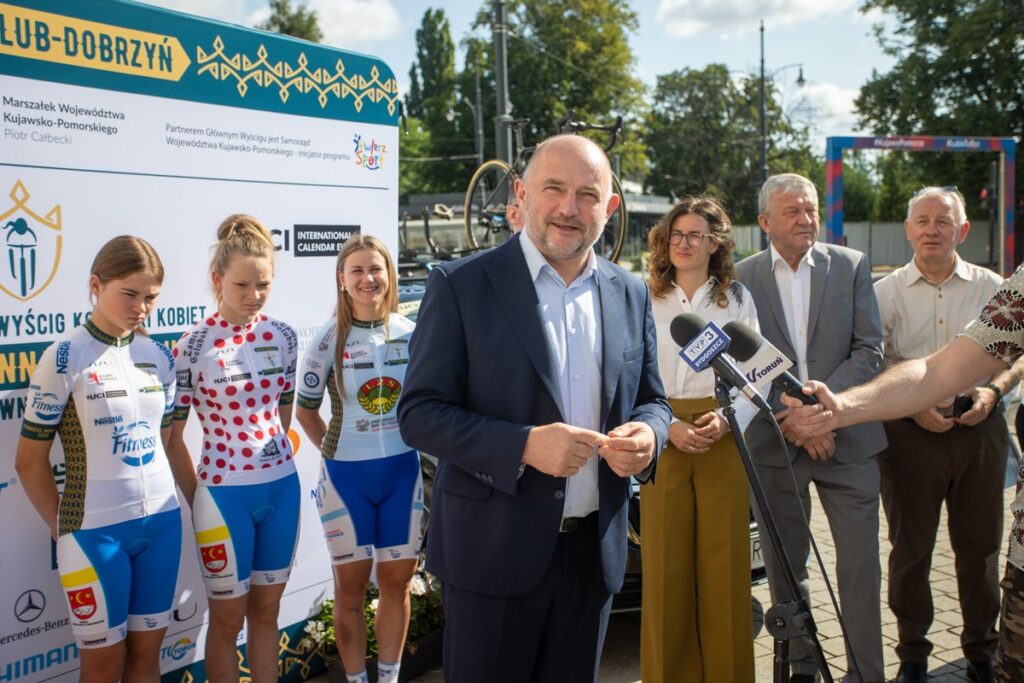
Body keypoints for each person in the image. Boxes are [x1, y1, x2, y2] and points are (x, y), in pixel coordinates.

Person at [397, 134, 671, 683]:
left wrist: (648, 436)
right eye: (554, 189)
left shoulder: (630, 292)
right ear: (522, 194)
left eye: (588, 195)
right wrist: (522, 445)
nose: (570, 208)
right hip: (491, 554)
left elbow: (652, 400)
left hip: (592, 558)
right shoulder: (461, 285)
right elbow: (419, 413)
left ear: (610, 207)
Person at [735, 172, 887, 683]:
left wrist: (824, 413)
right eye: (792, 211)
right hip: (776, 439)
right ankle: (801, 667)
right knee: (785, 568)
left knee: (860, 567)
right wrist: (795, 417)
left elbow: (870, 350)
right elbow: (740, 365)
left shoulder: (851, 265)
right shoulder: (741, 279)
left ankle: (865, 673)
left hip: (851, 438)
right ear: (764, 222)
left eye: (811, 210)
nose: (806, 219)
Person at [16, 236, 186, 683]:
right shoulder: (65, 356)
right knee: (104, 667)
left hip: (162, 524)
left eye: (151, 297)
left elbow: (164, 440)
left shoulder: (158, 355)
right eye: (130, 294)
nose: (141, 308)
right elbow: (28, 463)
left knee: (147, 660)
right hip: (94, 532)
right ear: (96, 284)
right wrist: (66, 528)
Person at [871, 187, 1020, 683]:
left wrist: (993, 392)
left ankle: (982, 651)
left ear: (963, 230)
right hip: (909, 436)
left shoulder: (995, 288)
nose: (932, 229)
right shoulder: (884, 293)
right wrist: (913, 408)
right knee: (910, 551)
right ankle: (913, 654)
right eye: (922, 220)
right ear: (908, 229)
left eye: (943, 221)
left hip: (980, 428)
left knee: (980, 550)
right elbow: (874, 361)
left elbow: (1017, 356)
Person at [167, 215, 299, 683]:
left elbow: (282, 417)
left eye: (263, 284)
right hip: (223, 496)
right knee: (226, 622)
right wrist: (199, 496)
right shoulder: (193, 346)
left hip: (281, 488)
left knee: (267, 613)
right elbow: (172, 438)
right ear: (217, 279)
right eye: (242, 284)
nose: (254, 295)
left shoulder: (284, 336)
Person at [295, 236, 422, 683]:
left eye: (376, 269)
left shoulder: (411, 332)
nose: (368, 279)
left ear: (389, 275)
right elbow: (305, 411)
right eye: (357, 271)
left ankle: (388, 678)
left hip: (403, 474)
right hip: (346, 478)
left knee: (397, 584)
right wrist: (335, 453)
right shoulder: (327, 338)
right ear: (342, 279)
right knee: (349, 592)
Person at [642, 195, 758, 682]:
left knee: (724, 569)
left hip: (721, 433)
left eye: (696, 235)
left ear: (715, 243)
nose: (684, 243)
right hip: (664, 431)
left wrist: (729, 419)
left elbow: (758, 373)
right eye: (676, 234)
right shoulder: (643, 296)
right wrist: (666, 424)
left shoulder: (737, 299)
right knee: (665, 569)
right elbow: (630, 373)